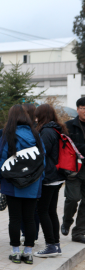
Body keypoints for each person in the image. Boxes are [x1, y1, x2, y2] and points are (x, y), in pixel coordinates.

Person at [0, 105, 45, 264]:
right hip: (32, 183)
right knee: (29, 218)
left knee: (14, 219)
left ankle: (15, 252)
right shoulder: (36, 135)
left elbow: (0, 159)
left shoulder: (8, 135)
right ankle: (28, 253)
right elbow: (43, 159)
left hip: (12, 182)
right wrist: (38, 178)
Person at [33, 104, 66, 257]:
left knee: (43, 211)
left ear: (42, 115)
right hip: (58, 176)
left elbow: (41, 153)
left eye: (37, 115)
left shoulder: (46, 131)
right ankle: (56, 245)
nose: (35, 117)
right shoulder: (57, 129)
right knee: (51, 211)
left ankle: (50, 245)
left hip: (49, 176)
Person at [62, 97, 85, 243]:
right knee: (73, 198)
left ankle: (78, 233)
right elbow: (68, 147)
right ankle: (67, 221)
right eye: (83, 107)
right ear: (77, 109)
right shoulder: (69, 126)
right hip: (74, 170)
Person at [20, 103, 40, 244]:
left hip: (23, 176)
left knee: (24, 211)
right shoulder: (35, 131)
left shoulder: (32, 131)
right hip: (34, 176)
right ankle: (30, 237)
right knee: (32, 210)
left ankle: (27, 236)